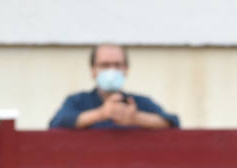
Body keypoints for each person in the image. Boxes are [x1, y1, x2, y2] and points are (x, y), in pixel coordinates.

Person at [48, 44, 179, 130]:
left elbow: (172, 123)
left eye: (117, 65)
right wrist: (101, 114)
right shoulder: (77, 101)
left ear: (126, 70)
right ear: (93, 70)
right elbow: (56, 123)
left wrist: (136, 118)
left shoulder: (140, 102)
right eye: (105, 65)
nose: (112, 70)